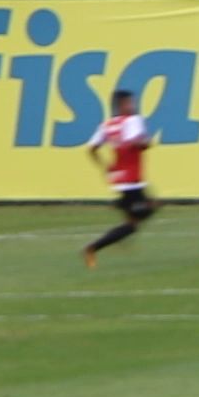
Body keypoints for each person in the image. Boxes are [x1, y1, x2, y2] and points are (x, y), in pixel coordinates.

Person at [81, 90, 156, 269]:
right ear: (121, 104)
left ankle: (120, 208)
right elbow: (134, 143)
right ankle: (92, 248)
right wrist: (146, 143)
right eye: (129, 103)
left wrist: (105, 167)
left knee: (144, 212)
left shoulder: (107, 125)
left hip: (120, 178)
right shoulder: (133, 120)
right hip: (132, 179)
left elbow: (91, 148)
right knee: (136, 221)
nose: (132, 106)